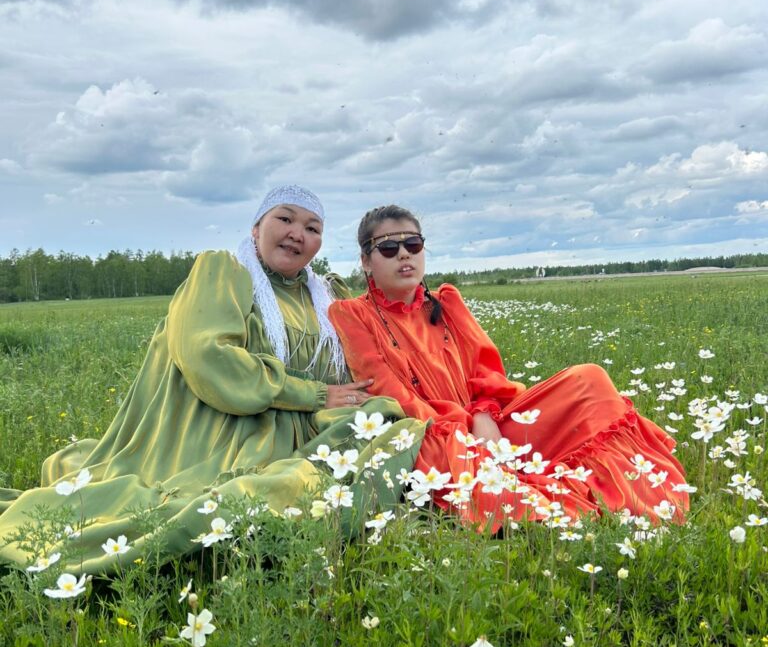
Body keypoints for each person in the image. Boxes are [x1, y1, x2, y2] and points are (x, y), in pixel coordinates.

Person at [0, 188, 425, 575]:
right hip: (227, 426)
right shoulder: (224, 272)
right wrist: (311, 394)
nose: (298, 234)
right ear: (256, 227)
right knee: (238, 495)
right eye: (285, 219)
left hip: (305, 423)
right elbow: (209, 357)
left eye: (312, 228)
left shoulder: (324, 294)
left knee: (390, 421)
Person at [329, 205, 689, 532]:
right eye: (388, 247)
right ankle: (537, 496)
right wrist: (466, 428)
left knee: (589, 378)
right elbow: (388, 392)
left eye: (413, 243)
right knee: (488, 483)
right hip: (432, 435)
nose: (404, 254)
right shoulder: (352, 314)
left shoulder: (447, 302)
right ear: (366, 261)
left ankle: (622, 491)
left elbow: (486, 368)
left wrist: (484, 414)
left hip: (490, 425)